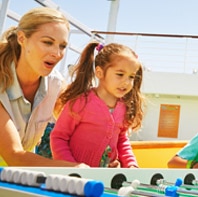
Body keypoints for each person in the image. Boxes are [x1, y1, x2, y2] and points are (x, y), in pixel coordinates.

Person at [0, 7, 87, 167]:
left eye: (62, 46)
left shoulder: (56, 85)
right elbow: (14, 155)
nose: (57, 53)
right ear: (22, 38)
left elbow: (81, 126)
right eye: (48, 42)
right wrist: (76, 169)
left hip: (19, 179)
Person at [50, 42, 144, 168]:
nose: (126, 82)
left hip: (104, 178)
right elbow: (59, 138)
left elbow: (121, 139)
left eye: (131, 77)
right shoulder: (81, 102)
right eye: (120, 74)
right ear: (100, 73)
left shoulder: (124, 108)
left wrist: (130, 164)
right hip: (73, 179)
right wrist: (71, 166)